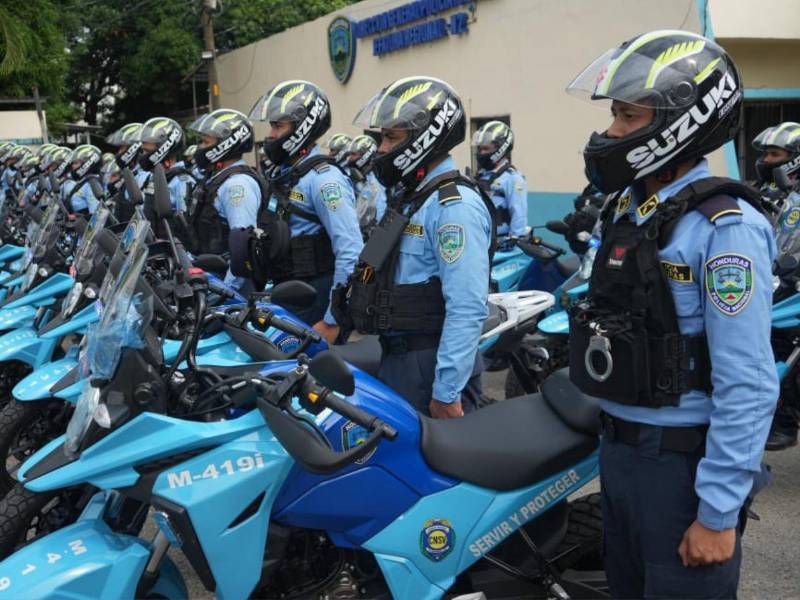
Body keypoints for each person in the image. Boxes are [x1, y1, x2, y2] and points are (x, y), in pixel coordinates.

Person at [566, 30, 778, 599]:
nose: (613, 131)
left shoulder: (725, 227)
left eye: (629, 116)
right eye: (614, 114)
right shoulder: (628, 209)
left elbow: (748, 379)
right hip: (619, 453)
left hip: (680, 466)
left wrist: (717, 512)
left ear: (683, 121)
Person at [332, 76, 494, 418]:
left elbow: (467, 306)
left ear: (426, 137)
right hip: (397, 356)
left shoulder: (454, 206)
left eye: (391, 137)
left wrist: (447, 392)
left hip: (430, 365)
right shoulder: (410, 199)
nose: (381, 149)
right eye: (382, 137)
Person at [246, 80, 362, 335]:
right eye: (272, 126)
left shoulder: (325, 180)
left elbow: (351, 252)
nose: (271, 135)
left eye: (278, 126)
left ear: (303, 127)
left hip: (315, 297)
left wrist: (333, 319)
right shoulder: (286, 173)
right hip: (288, 290)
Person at [752, 122, 800, 451]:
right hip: (779, 286)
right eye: (766, 154)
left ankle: (784, 420)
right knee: (772, 348)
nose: (766, 161)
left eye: (774, 154)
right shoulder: (777, 197)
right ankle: (779, 417)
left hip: (792, 287)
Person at [187, 108, 262, 292]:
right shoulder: (217, 179)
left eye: (206, 142)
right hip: (212, 279)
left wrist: (226, 293)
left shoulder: (236, 186)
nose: (200, 147)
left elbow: (243, 250)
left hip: (232, 288)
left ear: (226, 144)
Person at [136, 117, 195, 241]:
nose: (143, 155)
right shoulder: (151, 177)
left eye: (147, 151)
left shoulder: (181, 181)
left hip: (173, 250)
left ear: (163, 148)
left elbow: (187, 227)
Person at [472, 121, 529, 245]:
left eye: (485, 149)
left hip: (501, 246)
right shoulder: (480, 176)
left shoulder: (513, 179)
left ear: (501, 149)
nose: (481, 153)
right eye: (479, 149)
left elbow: (519, 214)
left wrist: (515, 239)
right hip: (479, 243)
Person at [345, 134, 387, 234]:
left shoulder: (376, 181)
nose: (349, 158)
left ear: (366, 155)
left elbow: (380, 211)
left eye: (353, 154)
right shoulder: (364, 178)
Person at [105, 122, 145, 222]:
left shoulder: (144, 176)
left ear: (133, 148)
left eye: (122, 148)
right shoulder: (128, 175)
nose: (119, 153)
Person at [65, 145, 103, 215]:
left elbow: (95, 214)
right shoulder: (84, 182)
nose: (72, 166)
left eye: (76, 163)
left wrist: (76, 217)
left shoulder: (91, 184)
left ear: (87, 164)